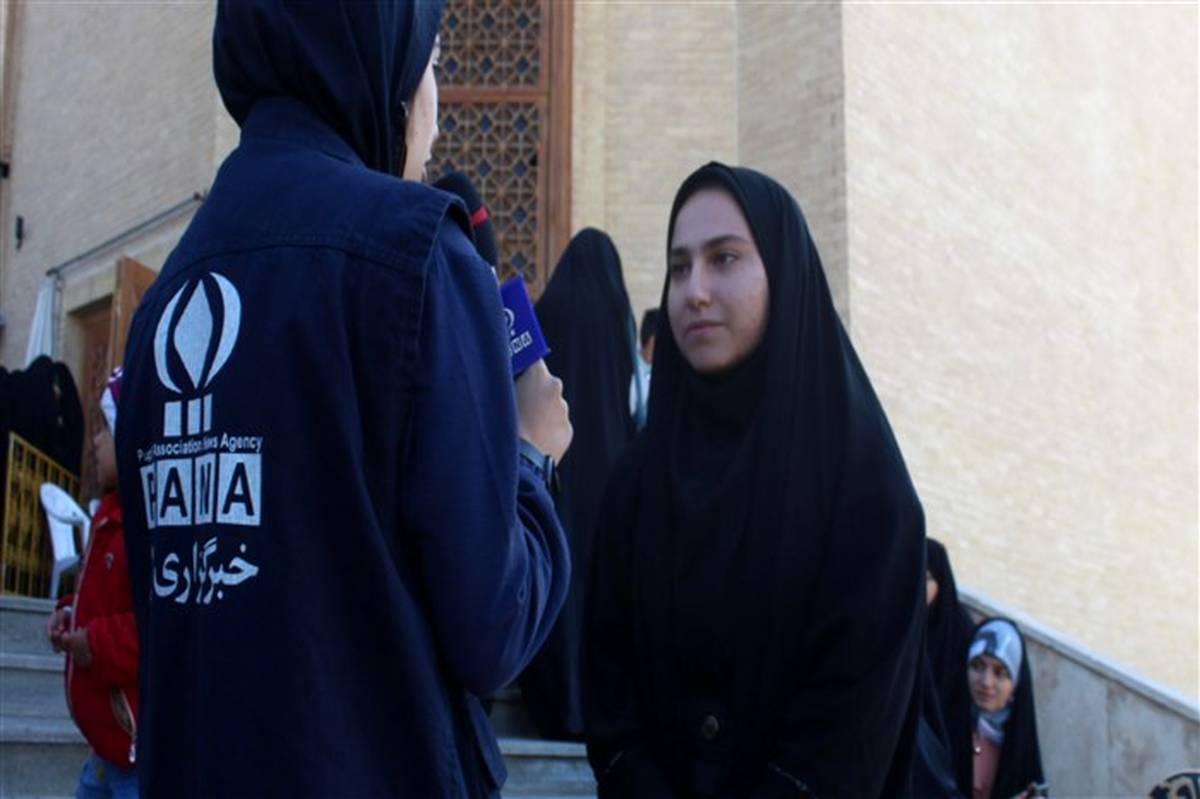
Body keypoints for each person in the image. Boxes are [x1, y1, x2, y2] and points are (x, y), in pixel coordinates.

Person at [114, 2, 572, 796]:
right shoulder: (415, 254)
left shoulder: (166, 294)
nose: (435, 113)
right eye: (431, 66)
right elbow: (492, 624)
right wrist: (529, 457)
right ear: (377, 54)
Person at [584, 162, 926, 798]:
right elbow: (611, 706)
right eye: (679, 267)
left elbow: (849, 738)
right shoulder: (636, 486)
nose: (694, 291)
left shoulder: (864, 491)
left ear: (783, 274)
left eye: (725, 258)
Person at [520, 228, 640, 740]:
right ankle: (592, 704)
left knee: (558, 572)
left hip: (556, 466)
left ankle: (556, 703)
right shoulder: (616, 310)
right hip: (609, 473)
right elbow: (631, 394)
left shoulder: (550, 308)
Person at [47, 367, 139, 799]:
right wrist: (70, 612)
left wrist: (94, 643)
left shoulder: (144, 527)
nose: (95, 442)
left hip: (135, 755)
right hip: (104, 745)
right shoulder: (108, 514)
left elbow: (155, 626)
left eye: (105, 429)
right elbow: (101, 595)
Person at [961, 618, 1047, 799]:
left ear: (1015, 686)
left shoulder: (1020, 747)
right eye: (977, 666)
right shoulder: (944, 731)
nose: (986, 682)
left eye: (1000, 673)